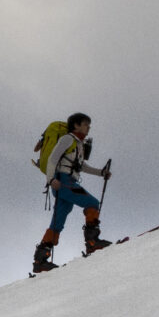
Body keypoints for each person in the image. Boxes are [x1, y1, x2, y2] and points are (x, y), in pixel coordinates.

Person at [33, 112, 113, 273]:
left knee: (59, 219)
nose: (88, 127)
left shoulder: (78, 144)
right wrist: (50, 179)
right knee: (92, 203)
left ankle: (40, 260)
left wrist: (100, 173)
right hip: (64, 181)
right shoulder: (68, 139)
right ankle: (93, 242)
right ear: (76, 125)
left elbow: (81, 166)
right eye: (85, 124)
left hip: (65, 182)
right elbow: (53, 159)